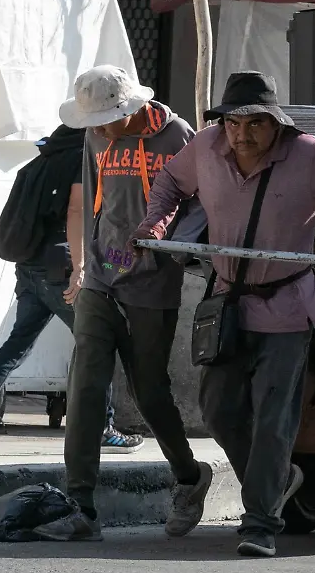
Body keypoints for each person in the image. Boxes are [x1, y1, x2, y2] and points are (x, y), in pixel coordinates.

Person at [132, 71, 315, 557]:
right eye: (232, 123)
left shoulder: (310, 154)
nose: (242, 135)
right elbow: (168, 180)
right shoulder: (205, 148)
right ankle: (276, 480)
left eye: (254, 125)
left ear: (276, 124)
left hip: (287, 306)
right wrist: (156, 221)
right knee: (219, 410)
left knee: (274, 418)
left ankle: (260, 523)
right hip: (227, 301)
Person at [32, 65, 209, 542]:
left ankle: (190, 478)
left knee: (149, 391)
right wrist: (84, 265)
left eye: (108, 118)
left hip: (154, 282)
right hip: (102, 279)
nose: (99, 128)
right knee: (86, 383)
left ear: (131, 107)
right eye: (93, 121)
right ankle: (81, 503)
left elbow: (199, 205)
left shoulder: (177, 136)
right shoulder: (94, 138)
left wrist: (173, 250)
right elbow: (94, 201)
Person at [0, 125, 143, 456]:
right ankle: (101, 429)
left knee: (17, 343)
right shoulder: (79, 159)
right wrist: (80, 268)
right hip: (61, 267)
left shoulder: (38, 164)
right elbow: (76, 210)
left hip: (29, 267)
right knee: (98, 341)